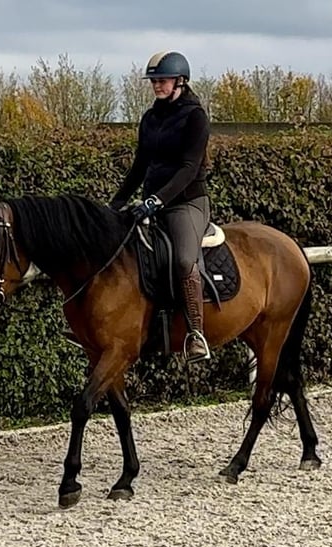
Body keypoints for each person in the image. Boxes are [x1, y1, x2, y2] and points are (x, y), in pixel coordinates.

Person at [109, 50, 212, 363]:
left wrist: (157, 200)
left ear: (180, 81)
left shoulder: (196, 116)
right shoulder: (151, 118)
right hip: (153, 204)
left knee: (182, 260)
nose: (156, 85)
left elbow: (189, 167)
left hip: (186, 204)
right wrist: (117, 202)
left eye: (162, 80)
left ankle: (196, 334)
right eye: (154, 81)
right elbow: (140, 165)